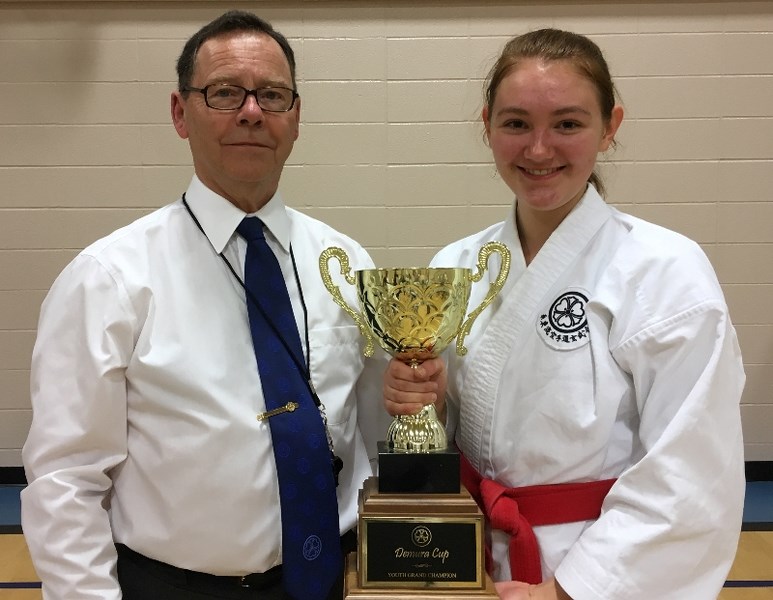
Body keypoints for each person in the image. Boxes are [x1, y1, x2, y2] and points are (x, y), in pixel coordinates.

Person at [22, 10, 390, 600]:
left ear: (295, 117)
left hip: (334, 580)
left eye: (272, 95)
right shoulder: (109, 279)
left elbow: (377, 433)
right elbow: (66, 480)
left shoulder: (347, 266)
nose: (251, 111)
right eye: (224, 93)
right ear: (180, 113)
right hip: (172, 587)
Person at [383, 28, 745, 600]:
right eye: (516, 123)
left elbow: (691, 469)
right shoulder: (457, 265)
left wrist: (566, 591)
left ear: (610, 127)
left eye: (568, 124)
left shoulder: (665, 270)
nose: (538, 149)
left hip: (589, 564)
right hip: (468, 557)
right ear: (487, 125)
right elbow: (461, 435)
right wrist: (424, 403)